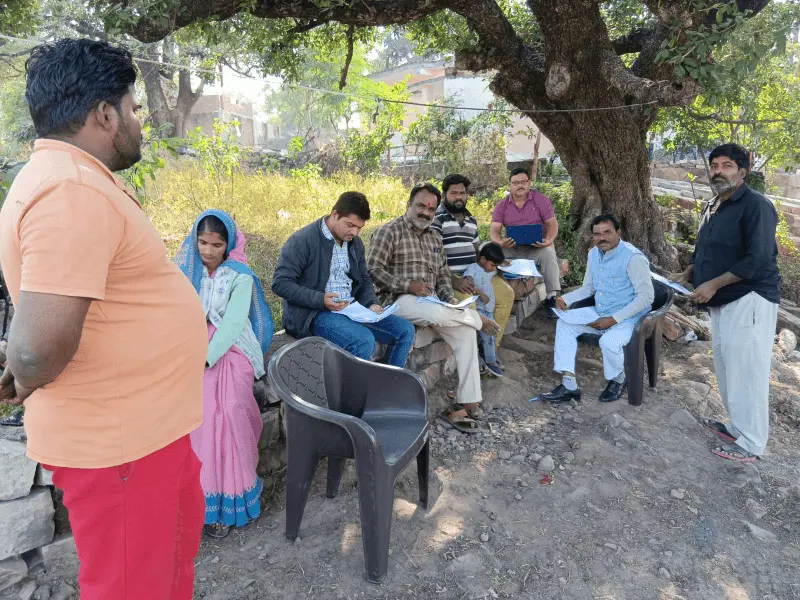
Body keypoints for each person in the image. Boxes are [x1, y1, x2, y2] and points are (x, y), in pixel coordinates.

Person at [0, 39, 207, 599]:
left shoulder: (77, 181)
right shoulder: (69, 189)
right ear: (105, 114)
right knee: (130, 587)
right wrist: (23, 368)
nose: (140, 122)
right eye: (135, 109)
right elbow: (37, 348)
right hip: (121, 450)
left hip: (145, 436)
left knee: (163, 574)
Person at [671, 143, 780, 462]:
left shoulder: (757, 206)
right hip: (721, 298)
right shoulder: (712, 205)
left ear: (743, 172)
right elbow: (705, 250)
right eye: (715, 165)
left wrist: (713, 284)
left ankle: (752, 443)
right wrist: (688, 272)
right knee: (727, 364)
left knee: (748, 370)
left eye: (727, 166)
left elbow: (757, 260)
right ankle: (737, 428)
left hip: (751, 297)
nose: (719, 171)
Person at [367, 184, 500, 433]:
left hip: (432, 303)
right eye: (421, 205)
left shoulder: (435, 237)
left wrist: (451, 301)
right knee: (444, 314)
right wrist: (409, 285)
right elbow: (373, 271)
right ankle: (475, 317)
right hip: (396, 301)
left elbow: (442, 278)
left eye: (431, 208)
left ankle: (469, 399)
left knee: (465, 332)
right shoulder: (388, 232)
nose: (425, 212)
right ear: (408, 204)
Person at [175, 210, 274, 538]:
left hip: (230, 351)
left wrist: (205, 360)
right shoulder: (186, 269)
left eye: (215, 244)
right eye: (202, 242)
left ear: (228, 244)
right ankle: (202, 504)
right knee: (201, 424)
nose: (207, 250)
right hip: (192, 347)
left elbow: (232, 322)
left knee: (231, 416)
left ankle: (235, 499)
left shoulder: (239, 275)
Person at [272, 192, 415, 367]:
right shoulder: (302, 240)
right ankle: (352, 393)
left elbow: (363, 278)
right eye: (350, 225)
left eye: (359, 228)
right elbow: (280, 283)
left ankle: (389, 385)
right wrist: (320, 300)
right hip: (314, 313)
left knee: (405, 331)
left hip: (350, 308)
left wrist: (371, 303)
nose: (354, 232)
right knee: (363, 340)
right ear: (334, 214)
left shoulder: (355, 244)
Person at [538, 215, 654, 404]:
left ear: (619, 233)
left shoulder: (633, 258)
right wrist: (565, 299)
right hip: (601, 310)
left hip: (630, 317)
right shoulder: (593, 254)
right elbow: (588, 288)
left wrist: (614, 319)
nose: (602, 238)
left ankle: (618, 379)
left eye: (607, 232)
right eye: (597, 234)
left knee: (608, 342)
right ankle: (569, 386)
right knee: (564, 323)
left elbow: (646, 297)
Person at [431, 173, 514, 346]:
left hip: (475, 274)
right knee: (472, 308)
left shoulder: (471, 220)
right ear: (444, 194)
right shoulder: (437, 220)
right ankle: (476, 351)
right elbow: (433, 256)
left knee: (506, 294)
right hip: (453, 278)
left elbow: (477, 249)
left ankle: (491, 350)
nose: (459, 197)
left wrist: (495, 261)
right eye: (453, 193)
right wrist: (453, 281)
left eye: (462, 193)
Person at [490, 168, 562, 306]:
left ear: (529, 183)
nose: (520, 185)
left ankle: (552, 296)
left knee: (548, 252)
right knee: (488, 249)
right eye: (516, 182)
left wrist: (548, 240)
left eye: (523, 181)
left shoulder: (541, 200)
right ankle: (491, 289)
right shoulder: (502, 205)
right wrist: (500, 242)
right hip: (512, 248)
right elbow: (494, 231)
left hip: (536, 247)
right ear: (510, 185)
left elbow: (552, 224)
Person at [463, 243, 507, 378]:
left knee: (492, 335)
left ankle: (486, 358)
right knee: (488, 333)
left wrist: (502, 264)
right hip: (480, 309)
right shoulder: (473, 268)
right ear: (482, 260)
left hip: (488, 309)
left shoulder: (490, 269)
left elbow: (498, 267)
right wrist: (480, 293)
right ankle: (490, 361)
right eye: (492, 265)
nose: (494, 268)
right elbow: (467, 280)